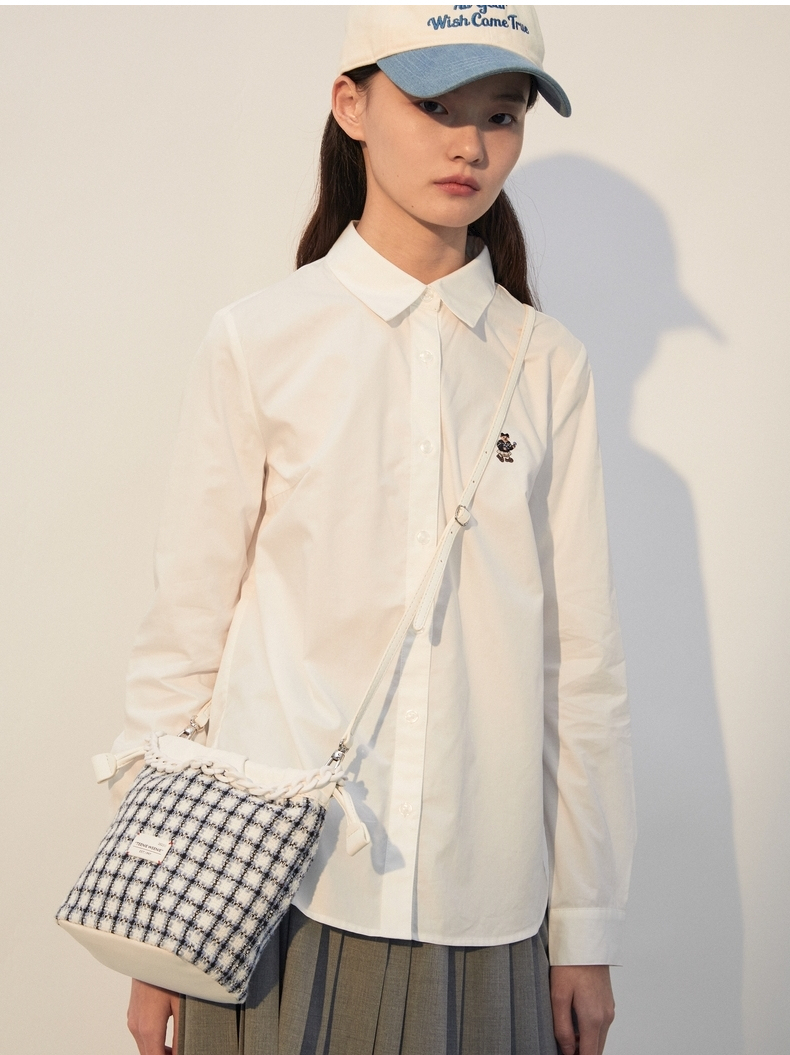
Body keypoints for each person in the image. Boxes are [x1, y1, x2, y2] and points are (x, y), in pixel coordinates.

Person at [116, 7, 636, 1055]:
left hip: (481, 901)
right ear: (350, 105)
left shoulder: (548, 364)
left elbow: (579, 668)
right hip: (269, 887)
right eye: (435, 105)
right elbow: (186, 635)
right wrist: (153, 919)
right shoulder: (261, 339)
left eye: (502, 114)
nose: (470, 144)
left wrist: (584, 927)